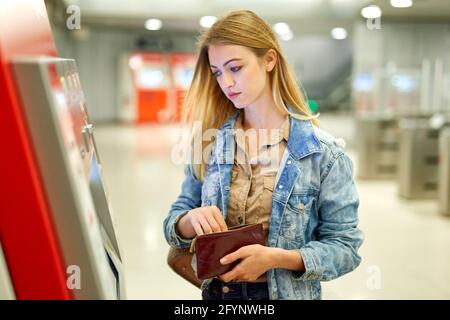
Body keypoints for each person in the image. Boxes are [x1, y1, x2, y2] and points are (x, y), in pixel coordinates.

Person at [163, 9, 364, 300]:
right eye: (218, 72)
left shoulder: (323, 154)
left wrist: (276, 258)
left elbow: (345, 248)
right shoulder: (209, 142)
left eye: (235, 68)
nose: (226, 83)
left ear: (269, 60)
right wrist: (189, 221)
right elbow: (174, 221)